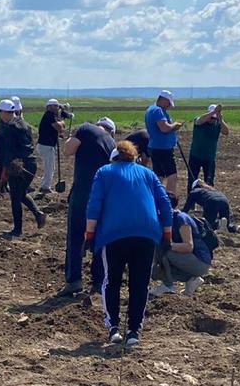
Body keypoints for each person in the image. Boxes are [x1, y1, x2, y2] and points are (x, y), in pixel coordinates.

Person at [85, 139, 173, 349]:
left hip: (114, 233)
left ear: (114, 159)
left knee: (112, 281)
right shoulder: (148, 174)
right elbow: (165, 205)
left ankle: (114, 328)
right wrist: (167, 234)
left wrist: (89, 235)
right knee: (140, 283)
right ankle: (133, 331)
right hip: (146, 233)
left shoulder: (104, 172)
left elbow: (94, 205)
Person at [62, 115, 117, 292]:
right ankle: (98, 281)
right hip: (104, 197)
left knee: (75, 235)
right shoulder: (112, 144)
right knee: (100, 237)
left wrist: (72, 136)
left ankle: (74, 281)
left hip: (83, 192)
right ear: (112, 132)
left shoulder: (86, 128)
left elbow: (68, 150)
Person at [0, 100, 44, 237]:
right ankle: (38, 214)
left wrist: (4, 172)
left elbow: (8, 153)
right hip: (31, 164)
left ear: (5, 112)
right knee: (21, 194)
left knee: (15, 198)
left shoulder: (10, 129)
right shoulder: (24, 124)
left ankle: (17, 230)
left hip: (19, 166)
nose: (0, 115)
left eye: (0, 112)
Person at [150, 194, 214, 297]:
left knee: (163, 251)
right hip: (187, 259)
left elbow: (189, 246)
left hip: (200, 261)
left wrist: (169, 246)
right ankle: (191, 279)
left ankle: (168, 286)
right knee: (155, 269)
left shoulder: (181, 219)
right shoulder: (166, 220)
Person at [144, 90, 183, 194]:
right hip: (163, 148)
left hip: (155, 147)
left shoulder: (150, 109)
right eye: (168, 103)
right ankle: (170, 199)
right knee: (172, 175)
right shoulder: (157, 110)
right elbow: (164, 128)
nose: (168, 106)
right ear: (163, 100)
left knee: (159, 175)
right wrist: (175, 125)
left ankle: (156, 197)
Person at [188, 103, 230, 186]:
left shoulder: (217, 124)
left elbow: (226, 132)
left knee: (209, 182)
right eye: (211, 118)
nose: (212, 120)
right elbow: (199, 121)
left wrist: (220, 118)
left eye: (214, 118)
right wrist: (214, 112)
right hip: (195, 155)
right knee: (192, 180)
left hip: (209, 157)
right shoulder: (199, 121)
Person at [36, 99, 70, 192]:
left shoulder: (50, 115)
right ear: (49, 107)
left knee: (49, 167)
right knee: (49, 167)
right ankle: (45, 187)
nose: (57, 108)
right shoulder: (49, 115)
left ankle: (45, 185)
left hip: (46, 145)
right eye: (55, 106)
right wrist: (62, 121)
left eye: (57, 106)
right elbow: (60, 128)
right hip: (46, 145)